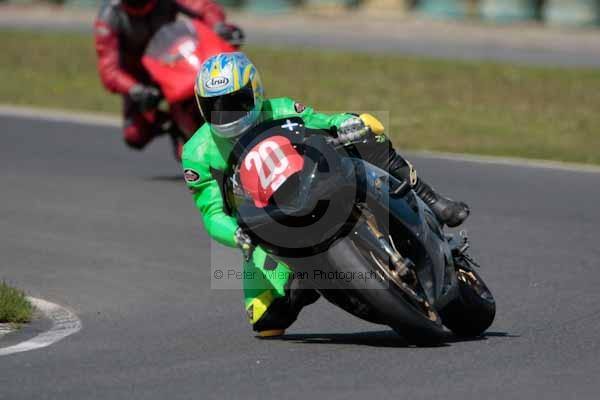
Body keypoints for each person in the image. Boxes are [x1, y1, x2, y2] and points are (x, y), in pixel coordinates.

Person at [182, 52, 470, 337]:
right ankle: (319, 282)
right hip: (263, 226)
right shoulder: (196, 153)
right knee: (266, 320)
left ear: (255, 93)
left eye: (236, 102)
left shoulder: (281, 108)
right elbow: (212, 212)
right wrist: (236, 235)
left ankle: (432, 200)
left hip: (315, 184)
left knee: (368, 131)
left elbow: (325, 121)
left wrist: (348, 122)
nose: (227, 114)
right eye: (215, 106)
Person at [94, 0, 243, 152]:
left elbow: (205, 7)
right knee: (134, 134)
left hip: (173, 61)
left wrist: (217, 26)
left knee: (218, 71)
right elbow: (110, 71)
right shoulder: (109, 16)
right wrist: (135, 89)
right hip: (139, 76)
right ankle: (174, 127)